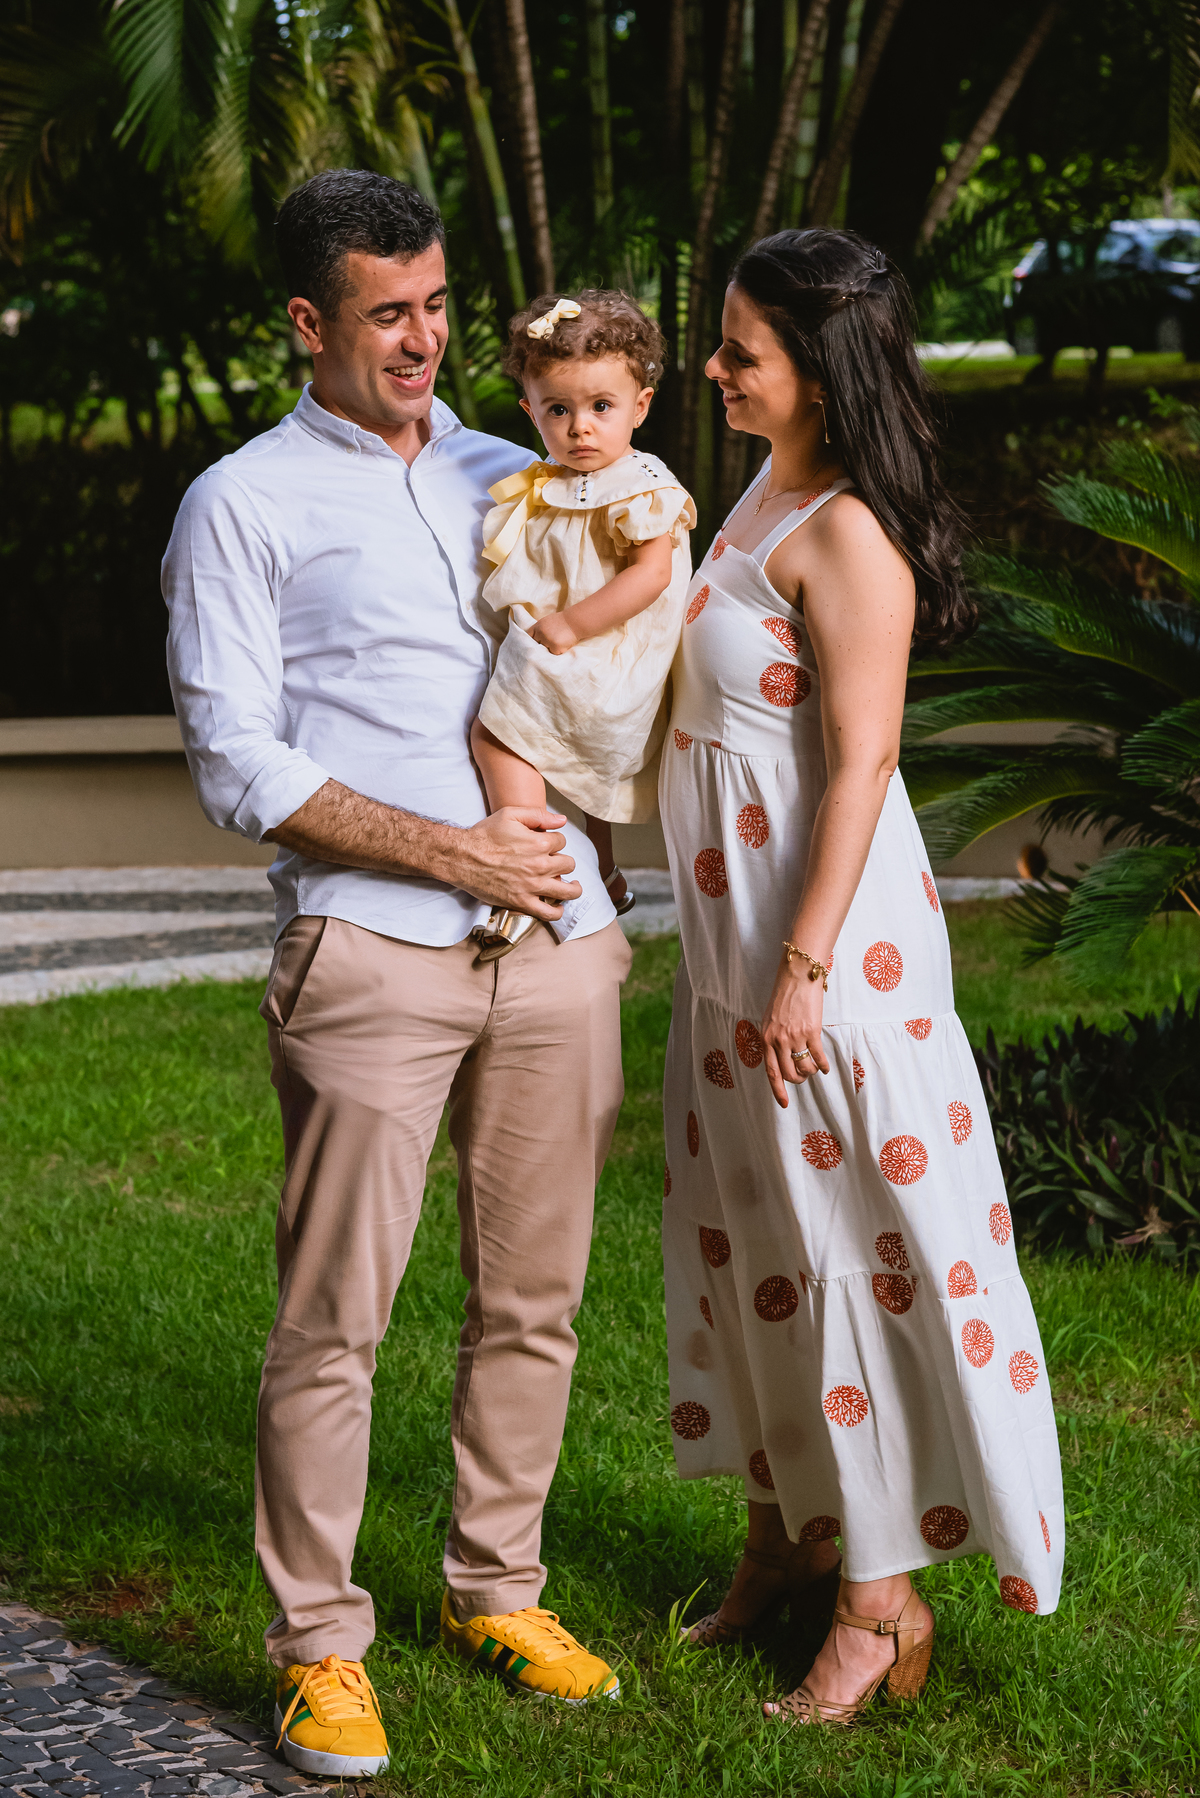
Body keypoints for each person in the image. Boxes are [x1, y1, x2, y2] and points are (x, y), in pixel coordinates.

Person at [162, 168, 632, 1782]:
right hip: (372, 947)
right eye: (389, 312)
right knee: (334, 1320)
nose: (425, 337)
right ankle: (321, 1644)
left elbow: (628, 662)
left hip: (561, 944)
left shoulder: (534, 469)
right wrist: (455, 852)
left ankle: (496, 1588)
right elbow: (235, 759)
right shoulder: (243, 501)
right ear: (311, 321)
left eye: (437, 303)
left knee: (537, 1300)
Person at [659, 228, 1064, 1725]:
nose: (712, 370)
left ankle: (879, 1601)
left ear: (820, 373)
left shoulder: (848, 535)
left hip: (820, 959)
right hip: (732, 954)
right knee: (752, 1240)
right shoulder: (761, 492)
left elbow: (864, 761)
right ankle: (784, 1533)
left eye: (740, 352)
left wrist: (804, 968)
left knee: (847, 1256)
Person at [469, 290, 695, 957]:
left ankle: (525, 875)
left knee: (497, 736)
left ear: (640, 406)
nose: (580, 430)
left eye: (602, 408)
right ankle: (600, 869)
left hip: (607, 652)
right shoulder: (551, 479)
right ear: (530, 411)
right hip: (580, 650)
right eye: (558, 411)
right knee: (576, 770)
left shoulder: (642, 482)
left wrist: (568, 626)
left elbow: (652, 574)